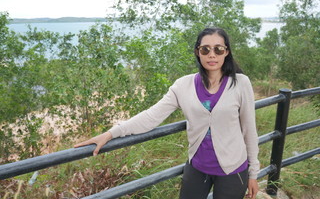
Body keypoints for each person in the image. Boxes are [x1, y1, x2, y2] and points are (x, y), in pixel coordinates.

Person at [74, 27, 260, 199]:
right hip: (197, 168)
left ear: (226, 52)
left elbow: (249, 131)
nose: (212, 55)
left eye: (218, 49)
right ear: (197, 52)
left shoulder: (240, 83)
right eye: (205, 49)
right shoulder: (183, 86)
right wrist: (110, 133)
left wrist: (253, 174)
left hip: (234, 170)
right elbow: (150, 117)